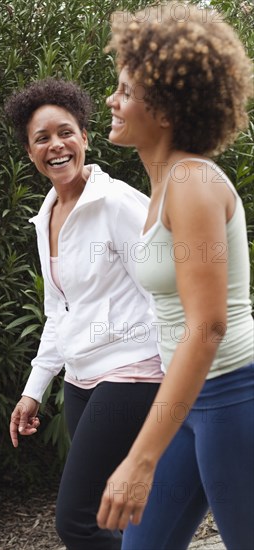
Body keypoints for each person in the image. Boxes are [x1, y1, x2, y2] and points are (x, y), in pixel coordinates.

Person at [96, 3, 254, 550]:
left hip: (236, 399)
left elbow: (206, 326)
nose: (112, 102)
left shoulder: (190, 182)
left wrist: (140, 458)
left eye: (124, 91)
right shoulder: (163, 187)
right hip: (189, 403)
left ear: (165, 110)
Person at [5, 78, 163, 550]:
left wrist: (184, 387)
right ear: (30, 153)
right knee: (111, 518)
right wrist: (34, 391)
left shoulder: (116, 204)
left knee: (77, 521)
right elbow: (60, 312)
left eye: (65, 131)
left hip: (133, 373)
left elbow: (166, 293)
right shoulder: (47, 216)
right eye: (41, 138)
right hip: (80, 380)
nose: (56, 145)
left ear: (85, 138)